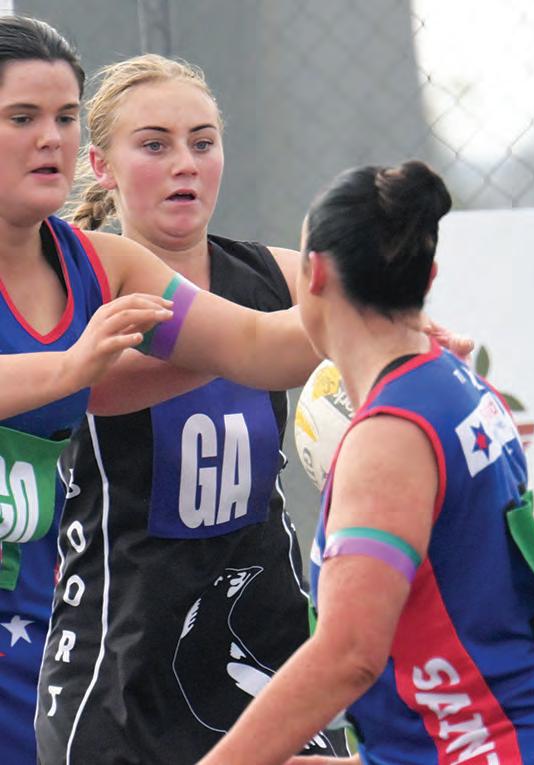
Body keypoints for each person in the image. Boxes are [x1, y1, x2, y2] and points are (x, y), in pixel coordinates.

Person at [199, 161, 534, 765]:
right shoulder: (456, 384)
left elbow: (348, 656)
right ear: (427, 277)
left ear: (316, 274)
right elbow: (464, 613)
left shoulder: (391, 433)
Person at [0, 17, 330, 763]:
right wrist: (72, 367)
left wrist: (380, 321)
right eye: (22, 118)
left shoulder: (104, 265)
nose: (48, 138)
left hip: (218, 632)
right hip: (104, 647)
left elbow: (255, 344)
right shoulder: (92, 321)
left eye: (63, 117)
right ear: (106, 166)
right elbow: (95, 382)